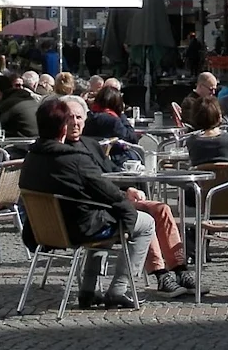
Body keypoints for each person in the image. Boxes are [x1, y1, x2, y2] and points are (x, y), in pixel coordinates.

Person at [19, 96, 154, 309]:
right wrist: (126, 203)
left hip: (45, 230)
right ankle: (118, 288)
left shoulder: (31, 158)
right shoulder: (74, 159)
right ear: (63, 129)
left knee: (102, 214)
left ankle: (88, 291)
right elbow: (109, 193)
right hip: (78, 229)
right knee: (145, 223)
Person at [58, 95, 196, 295]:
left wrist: (128, 189)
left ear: (85, 119)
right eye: (69, 118)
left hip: (115, 199)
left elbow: (111, 171)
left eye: (79, 117)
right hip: (99, 209)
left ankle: (180, 269)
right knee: (145, 219)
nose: (75, 122)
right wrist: (121, 195)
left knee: (162, 209)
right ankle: (161, 275)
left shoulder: (90, 144)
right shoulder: (63, 151)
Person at [82, 86, 140, 169]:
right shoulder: (113, 121)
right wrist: (122, 114)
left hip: (90, 159)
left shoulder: (88, 118)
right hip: (113, 161)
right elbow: (132, 138)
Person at [0, 74, 39, 138]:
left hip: (25, 143)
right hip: (35, 140)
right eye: (17, 85)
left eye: (22, 85)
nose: (20, 88)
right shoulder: (31, 99)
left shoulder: (9, 103)